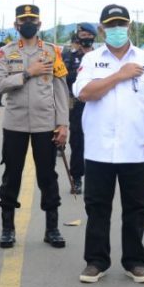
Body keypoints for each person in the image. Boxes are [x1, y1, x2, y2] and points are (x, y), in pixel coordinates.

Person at [72, 4, 144, 284]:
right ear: (102, 29)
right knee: (97, 208)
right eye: (111, 25)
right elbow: (85, 93)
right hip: (99, 150)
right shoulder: (91, 60)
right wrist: (119, 75)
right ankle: (96, 261)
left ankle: (135, 262)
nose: (116, 30)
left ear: (129, 26)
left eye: (121, 25)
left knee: (136, 208)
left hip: (136, 149)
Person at [0, 4, 69, 249]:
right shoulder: (4, 53)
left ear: (39, 25)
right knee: (11, 176)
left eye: (32, 21)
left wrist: (63, 124)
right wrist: (28, 72)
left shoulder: (52, 52)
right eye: (23, 20)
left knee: (48, 176)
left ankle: (52, 228)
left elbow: (60, 90)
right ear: (15, 25)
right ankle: (7, 229)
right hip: (15, 125)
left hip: (45, 124)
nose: (28, 24)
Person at [61, 22, 98, 194]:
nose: (85, 39)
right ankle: (77, 179)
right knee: (77, 144)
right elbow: (63, 81)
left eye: (89, 36)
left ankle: (96, 177)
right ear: (77, 37)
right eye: (82, 36)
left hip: (98, 105)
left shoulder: (101, 57)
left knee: (97, 142)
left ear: (94, 37)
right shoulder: (69, 57)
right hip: (76, 106)